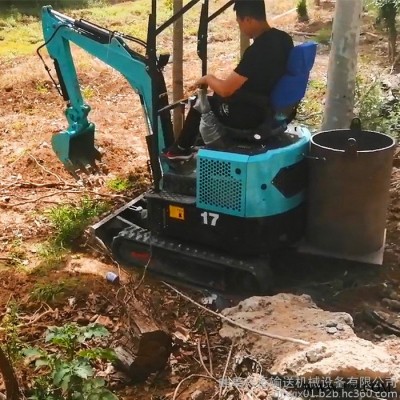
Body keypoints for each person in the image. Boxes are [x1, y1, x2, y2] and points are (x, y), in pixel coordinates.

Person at [163, 0, 294, 161]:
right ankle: (196, 145)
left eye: (240, 23)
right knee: (214, 99)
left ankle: (179, 150)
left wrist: (208, 78)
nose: (241, 28)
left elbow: (226, 89)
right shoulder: (283, 39)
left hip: (250, 114)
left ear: (248, 20)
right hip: (268, 106)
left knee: (200, 102)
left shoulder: (257, 51)